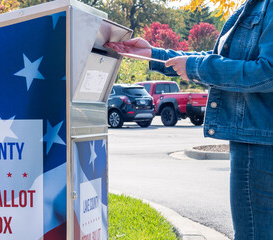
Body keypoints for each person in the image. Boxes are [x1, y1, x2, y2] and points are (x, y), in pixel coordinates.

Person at [105, 0, 273, 239]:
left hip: (259, 145)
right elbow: (219, 58)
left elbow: (268, 71)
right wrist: (154, 54)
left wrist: (196, 67)